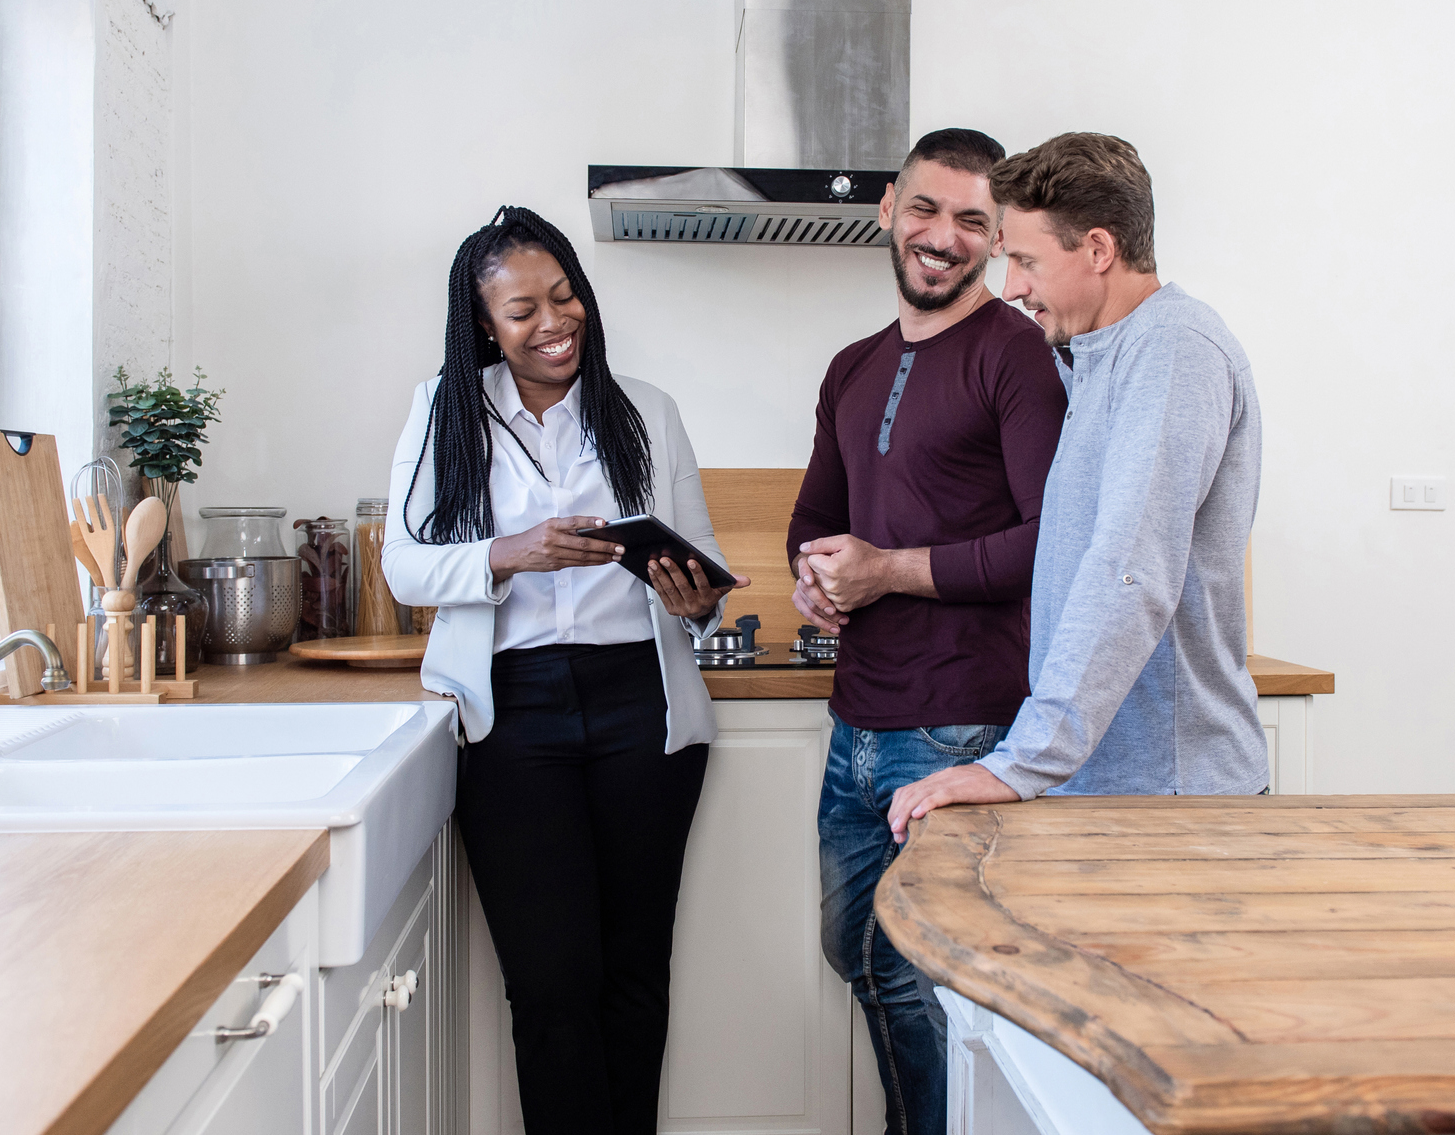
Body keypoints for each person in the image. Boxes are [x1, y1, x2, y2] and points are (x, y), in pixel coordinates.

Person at [383, 206, 749, 1135]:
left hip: (642, 708)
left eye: (565, 295)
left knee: (634, 972)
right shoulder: (444, 410)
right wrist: (510, 554)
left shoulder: (647, 412)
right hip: (513, 718)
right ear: (484, 327)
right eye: (522, 310)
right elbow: (407, 564)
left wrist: (692, 595)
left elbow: (703, 565)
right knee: (550, 983)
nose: (554, 321)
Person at [788, 128, 1068, 1135]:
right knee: (856, 950)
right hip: (858, 720)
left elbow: (1049, 542)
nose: (941, 236)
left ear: (996, 241)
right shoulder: (851, 366)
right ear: (887, 210)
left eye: (970, 221)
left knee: (930, 974)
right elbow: (814, 514)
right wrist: (812, 579)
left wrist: (886, 570)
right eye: (925, 209)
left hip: (963, 727)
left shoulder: (1019, 356)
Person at [887, 132, 1267, 845]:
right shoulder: (1095, 356)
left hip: (1169, 795)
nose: (1011, 288)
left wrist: (1024, 761)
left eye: (1026, 261)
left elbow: (1132, 567)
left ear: (1097, 250)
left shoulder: (1174, 349)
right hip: (1109, 784)